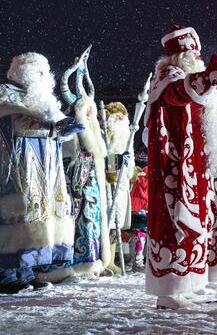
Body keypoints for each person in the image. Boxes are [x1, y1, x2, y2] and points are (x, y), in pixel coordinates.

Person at [144, 25, 217, 309]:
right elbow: (179, 94)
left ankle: (189, 283)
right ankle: (168, 292)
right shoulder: (168, 78)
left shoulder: (187, 77)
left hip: (197, 165)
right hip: (176, 169)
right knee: (176, 225)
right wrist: (208, 78)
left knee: (200, 225)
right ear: (179, 55)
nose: (196, 56)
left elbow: (202, 111)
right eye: (192, 53)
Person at [0, 52, 82, 293]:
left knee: (37, 218)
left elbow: (55, 126)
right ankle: (6, 275)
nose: (45, 77)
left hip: (45, 167)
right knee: (18, 214)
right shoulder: (6, 92)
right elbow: (8, 118)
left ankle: (27, 272)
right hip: (16, 164)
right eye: (39, 72)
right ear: (24, 72)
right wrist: (43, 122)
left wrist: (64, 127)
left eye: (45, 72)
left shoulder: (42, 98)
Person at [38, 51, 111, 282]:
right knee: (78, 226)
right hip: (75, 191)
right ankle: (73, 264)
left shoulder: (94, 133)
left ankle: (90, 261)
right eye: (86, 110)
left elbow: (98, 157)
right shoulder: (75, 131)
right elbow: (69, 160)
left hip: (90, 190)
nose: (90, 113)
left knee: (91, 224)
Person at [101, 101, 135, 274]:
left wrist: (131, 170)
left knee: (117, 223)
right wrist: (117, 161)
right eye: (117, 115)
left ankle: (112, 259)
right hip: (109, 182)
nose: (121, 118)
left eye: (123, 115)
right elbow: (102, 155)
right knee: (108, 222)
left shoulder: (126, 134)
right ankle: (104, 260)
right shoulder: (105, 133)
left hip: (122, 183)